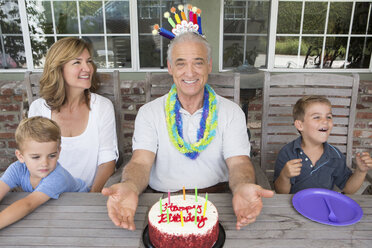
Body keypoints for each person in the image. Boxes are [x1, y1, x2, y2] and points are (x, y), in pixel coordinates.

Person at [102, 32, 274, 231]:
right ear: (170, 67)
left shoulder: (231, 112)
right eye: (181, 63)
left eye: (198, 63)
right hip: (160, 201)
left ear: (209, 66)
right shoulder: (149, 113)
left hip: (219, 199)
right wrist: (130, 186)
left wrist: (243, 186)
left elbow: (239, 162)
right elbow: (140, 161)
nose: (190, 72)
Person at [28, 37, 118, 192]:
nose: (88, 68)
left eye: (89, 61)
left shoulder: (102, 107)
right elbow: (33, 161)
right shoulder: (39, 109)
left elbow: (107, 161)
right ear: (58, 68)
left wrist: (90, 197)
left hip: (90, 193)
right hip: (48, 195)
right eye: (77, 62)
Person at [0, 117, 89, 229]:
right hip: (50, 208)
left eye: (52, 155)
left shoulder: (58, 177)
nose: (45, 163)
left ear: (58, 152)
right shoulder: (17, 169)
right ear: (20, 156)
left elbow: (28, 204)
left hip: (82, 205)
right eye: (36, 157)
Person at [274, 95, 372, 194]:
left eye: (328, 117)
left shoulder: (335, 155)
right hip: (293, 205)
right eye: (317, 117)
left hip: (325, 206)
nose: (325, 121)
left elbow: (348, 189)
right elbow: (281, 193)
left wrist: (361, 171)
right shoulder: (287, 152)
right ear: (300, 125)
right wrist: (285, 176)